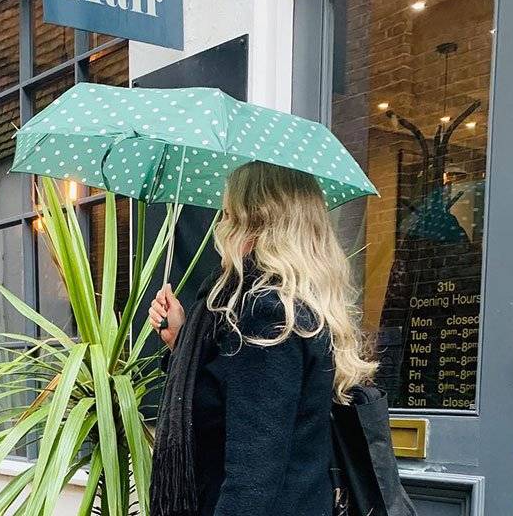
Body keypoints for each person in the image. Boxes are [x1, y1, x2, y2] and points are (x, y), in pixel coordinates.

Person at [148, 161, 377, 516]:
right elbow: (237, 402)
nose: (220, 227)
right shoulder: (297, 306)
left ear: (253, 221)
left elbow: (253, 476)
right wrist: (181, 342)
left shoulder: (266, 315)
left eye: (227, 214)